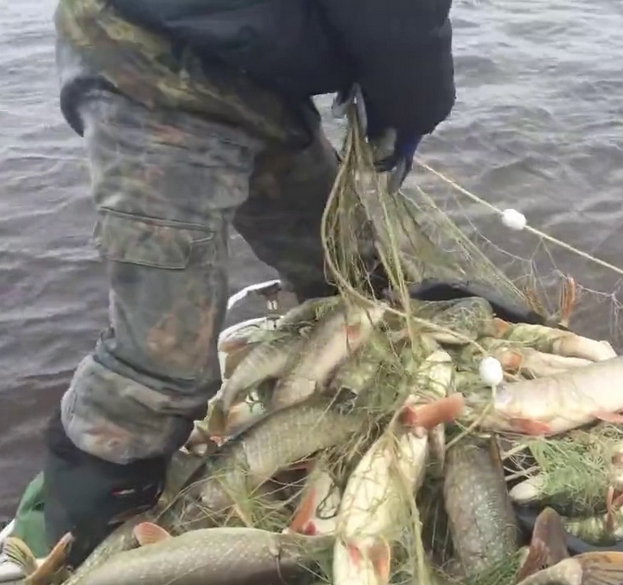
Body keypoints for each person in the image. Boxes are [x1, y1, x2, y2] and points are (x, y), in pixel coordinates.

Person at [39, 0, 456, 567]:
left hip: (257, 79)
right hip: (156, 68)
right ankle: (80, 543)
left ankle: (332, 405)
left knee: (355, 271)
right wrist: (413, 104)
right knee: (160, 368)